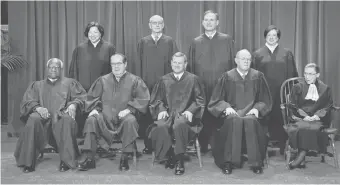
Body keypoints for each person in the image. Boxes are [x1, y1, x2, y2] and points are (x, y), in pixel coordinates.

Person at [77, 53, 150, 171]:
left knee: (130, 121)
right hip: (105, 117)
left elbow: (143, 99)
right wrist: (95, 109)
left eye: (119, 64)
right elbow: (92, 98)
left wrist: (129, 110)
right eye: (113, 64)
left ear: (125, 64)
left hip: (124, 118)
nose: (116, 67)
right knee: (91, 120)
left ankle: (125, 157)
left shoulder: (135, 80)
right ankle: (89, 158)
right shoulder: (102, 80)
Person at [14, 58, 87, 173]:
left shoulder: (70, 83)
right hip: (43, 116)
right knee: (33, 118)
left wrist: (74, 104)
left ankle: (66, 160)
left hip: (61, 115)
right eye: (51, 67)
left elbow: (82, 98)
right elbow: (27, 101)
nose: (53, 69)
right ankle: (28, 161)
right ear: (47, 69)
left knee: (67, 119)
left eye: (57, 67)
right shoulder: (37, 85)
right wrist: (37, 107)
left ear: (61, 69)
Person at [208, 49, 272, 175]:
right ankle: (228, 162)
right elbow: (216, 100)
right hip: (233, 113)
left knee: (250, 121)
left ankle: (256, 163)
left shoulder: (258, 76)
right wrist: (226, 107)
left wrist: (256, 109)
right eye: (243, 59)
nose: (246, 61)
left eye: (248, 59)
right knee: (233, 120)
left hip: (251, 114)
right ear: (236, 60)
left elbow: (265, 99)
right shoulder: (227, 76)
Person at [147, 52, 206, 175]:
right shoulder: (164, 80)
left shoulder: (193, 79)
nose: (177, 65)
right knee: (161, 126)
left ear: (185, 64)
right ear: (171, 63)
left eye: (180, 63)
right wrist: (162, 109)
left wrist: (190, 111)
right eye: (175, 62)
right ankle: (169, 154)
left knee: (179, 125)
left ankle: (179, 159)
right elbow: (156, 100)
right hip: (168, 114)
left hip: (185, 115)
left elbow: (200, 100)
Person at [188, 10, 235, 153]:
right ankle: (202, 144)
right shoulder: (196, 42)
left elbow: (233, 63)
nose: (209, 22)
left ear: (217, 22)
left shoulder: (226, 40)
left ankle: (220, 146)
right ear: (202, 23)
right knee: (203, 114)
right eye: (206, 20)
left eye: (212, 20)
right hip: (202, 85)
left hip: (221, 85)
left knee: (221, 112)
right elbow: (190, 65)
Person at [252, 25, 298, 153]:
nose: (271, 38)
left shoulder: (287, 53)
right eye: (269, 35)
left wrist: (291, 93)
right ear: (265, 37)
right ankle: (263, 146)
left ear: (278, 37)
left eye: (274, 35)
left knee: (281, 116)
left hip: (282, 92)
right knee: (264, 116)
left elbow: (292, 73)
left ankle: (283, 145)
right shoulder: (257, 54)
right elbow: (253, 75)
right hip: (264, 91)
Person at [137, 15, 178, 154]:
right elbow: (139, 62)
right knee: (148, 113)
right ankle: (149, 144)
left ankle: (166, 143)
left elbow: (176, 63)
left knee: (163, 112)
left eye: (159, 23)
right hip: (147, 83)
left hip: (165, 85)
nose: (157, 25)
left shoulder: (169, 41)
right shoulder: (143, 42)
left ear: (163, 25)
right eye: (154, 23)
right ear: (149, 25)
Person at [287, 63, 333, 170]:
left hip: (318, 120)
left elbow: (328, 106)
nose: (307, 77)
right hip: (301, 118)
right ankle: (301, 157)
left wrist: (317, 116)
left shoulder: (325, 89)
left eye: (311, 74)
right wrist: (304, 116)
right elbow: (293, 105)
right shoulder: (297, 87)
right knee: (302, 126)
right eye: (305, 74)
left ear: (317, 75)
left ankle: (300, 158)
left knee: (311, 127)